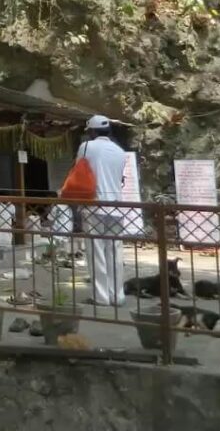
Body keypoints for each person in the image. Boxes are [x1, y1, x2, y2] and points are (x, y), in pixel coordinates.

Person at [79, 115, 126, 307]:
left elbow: (78, 171)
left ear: (92, 131)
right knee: (114, 252)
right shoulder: (120, 151)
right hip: (116, 206)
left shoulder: (87, 147)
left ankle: (101, 297)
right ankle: (118, 296)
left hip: (94, 205)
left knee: (96, 251)